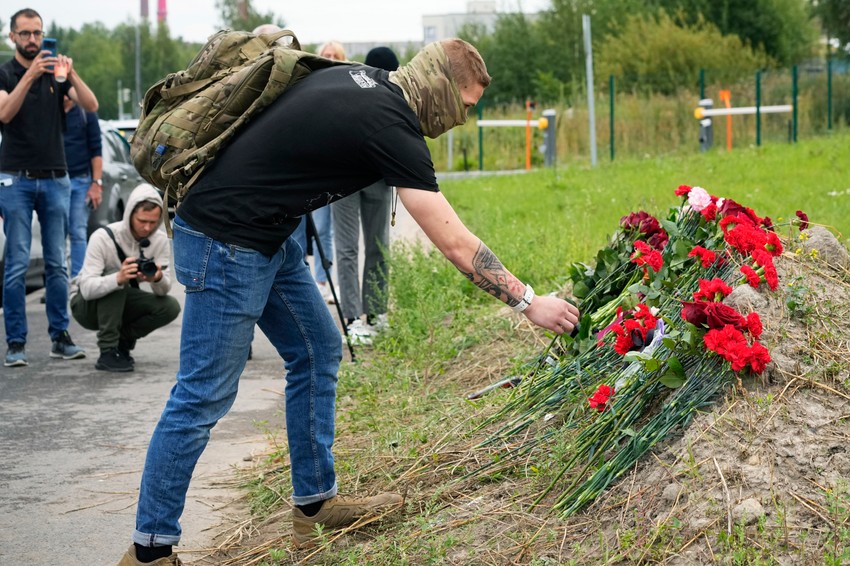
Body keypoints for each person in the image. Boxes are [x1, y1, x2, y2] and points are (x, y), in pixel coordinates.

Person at [117, 39, 580, 565]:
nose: (462, 121)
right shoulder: (390, 124)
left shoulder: (370, 84)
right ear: (442, 91)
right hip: (226, 241)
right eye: (465, 107)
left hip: (270, 235)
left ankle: (314, 503)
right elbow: (454, 243)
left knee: (317, 349)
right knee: (203, 396)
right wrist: (529, 302)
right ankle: (150, 551)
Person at [0, 8, 98, 367]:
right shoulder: (6, 73)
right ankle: (15, 343)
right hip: (15, 179)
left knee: (57, 263)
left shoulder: (57, 74)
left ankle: (60, 336)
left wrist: (72, 73)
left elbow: (91, 105)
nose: (32, 40)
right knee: (17, 263)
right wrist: (29, 76)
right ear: (12, 36)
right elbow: (4, 113)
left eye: (38, 33)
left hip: (57, 178)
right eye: (25, 34)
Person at [70, 184, 180, 373]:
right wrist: (119, 277)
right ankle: (108, 351)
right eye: (142, 221)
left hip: (121, 302)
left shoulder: (160, 240)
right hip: (85, 307)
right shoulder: (103, 237)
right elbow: (86, 289)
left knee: (170, 307)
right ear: (129, 214)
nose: (147, 228)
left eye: (153, 222)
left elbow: (163, 290)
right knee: (116, 281)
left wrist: (157, 278)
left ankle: (123, 342)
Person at [331, 46, 400, 345]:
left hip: (379, 179)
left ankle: (375, 312)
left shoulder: (396, 96)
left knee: (379, 245)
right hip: (345, 179)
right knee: (347, 249)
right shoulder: (348, 91)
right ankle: (351, 319)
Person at [290, 40, 347, 305]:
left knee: (324, 229)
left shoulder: (346, 90)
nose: (330, 58)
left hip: (324, 175)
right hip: (300, 172)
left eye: (335, 55)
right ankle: (299, 283)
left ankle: (323, 280)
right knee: (297, 232)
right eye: (326, 55)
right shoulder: (308, 86)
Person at [63, 94, 103, 277]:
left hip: (80, 180)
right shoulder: (49, 111)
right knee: (54, 235)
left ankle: (78, 280)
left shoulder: (85, 112)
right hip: (54, 181)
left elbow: (96, 149)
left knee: (77, 232)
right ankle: (56, 281)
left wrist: (96, 183)